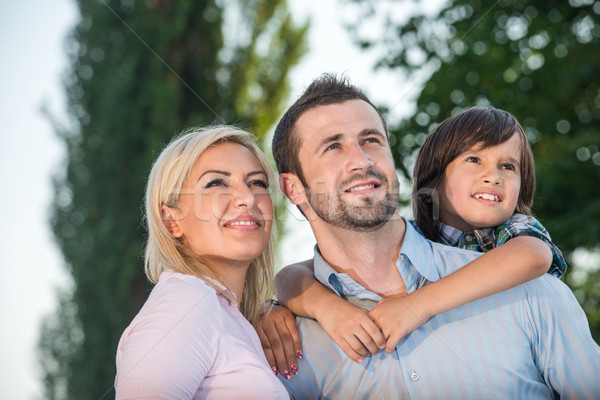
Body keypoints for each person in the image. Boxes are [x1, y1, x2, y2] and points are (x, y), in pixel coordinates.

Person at [266, 74, 600, 399]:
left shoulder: (528, 290)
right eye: (333, 146)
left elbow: (533, 254)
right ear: (292, 188)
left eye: (371, 140)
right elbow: (288, 275)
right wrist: (283, 302)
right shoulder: (279, 343)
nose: (362, 160)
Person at [114, 126, 289, 399]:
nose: (248, 197)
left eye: (257, 183)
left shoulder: (224, 314)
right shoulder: (187, 300)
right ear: (172, 221)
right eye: (216, 183)